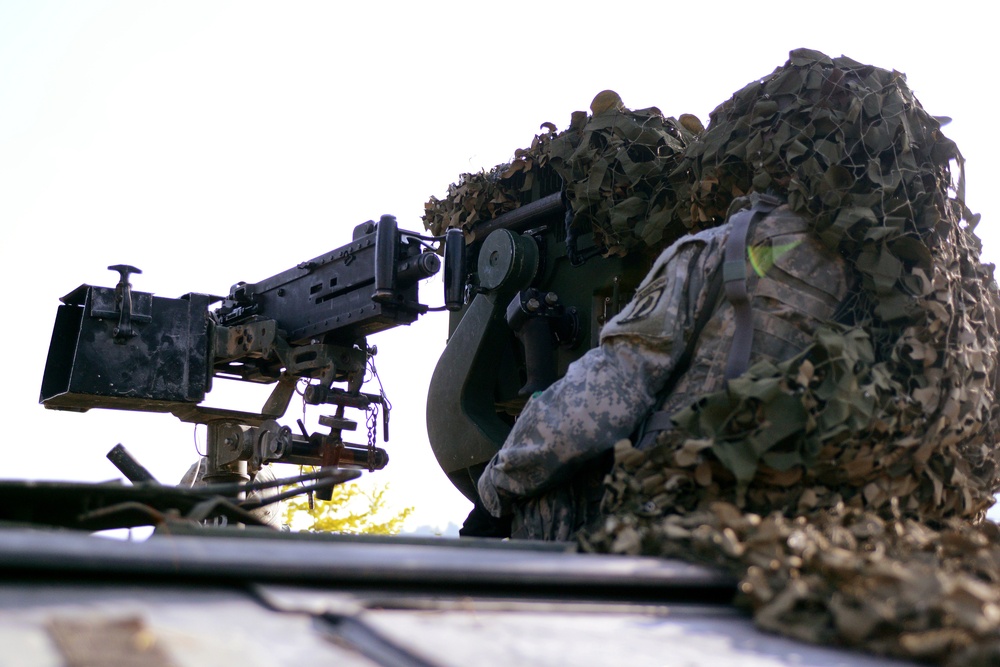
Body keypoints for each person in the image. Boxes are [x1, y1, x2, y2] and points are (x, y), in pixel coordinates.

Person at [475, 195, 849, 540]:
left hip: (683, 522)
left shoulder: (726, 249)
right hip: (820, 541)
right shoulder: (887, 276)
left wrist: (495, 490)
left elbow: (601, 400)